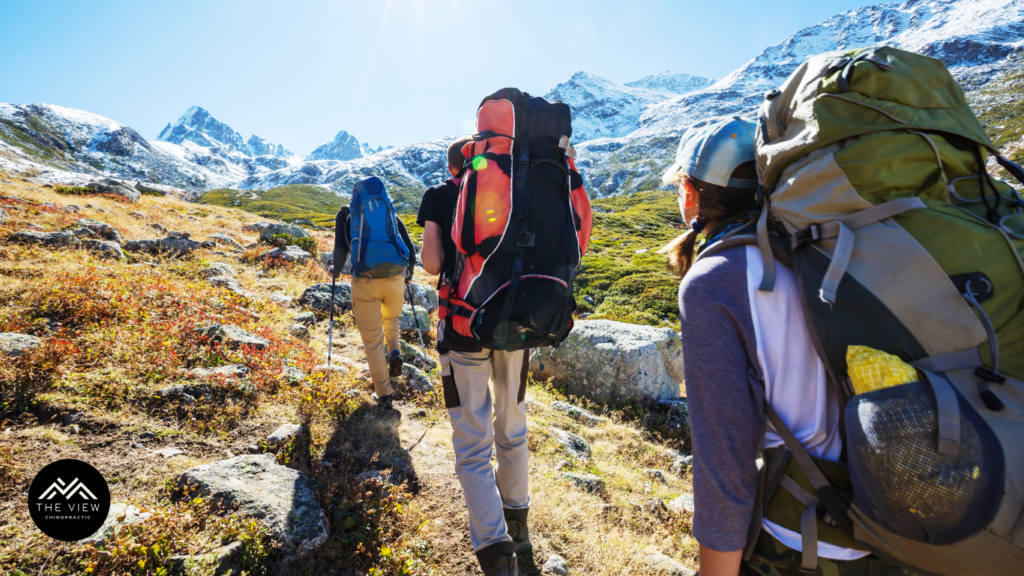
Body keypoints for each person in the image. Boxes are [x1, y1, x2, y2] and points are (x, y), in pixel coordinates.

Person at [666, 118, 911, 576]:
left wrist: (715, 571)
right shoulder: (822, 248)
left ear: (691, 193)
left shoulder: (714, 282)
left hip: (811, 536)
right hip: (904, 510)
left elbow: (725, 452)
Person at [417, 136, 530, 576]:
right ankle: (517, 519)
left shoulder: (440, 194)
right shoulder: (514, 193)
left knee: (472, 444)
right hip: (515, 326)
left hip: (463, 326)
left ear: (453, 167)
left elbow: (430, 262)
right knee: (512, 426)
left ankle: (495, 550)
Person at [333, 176, 417, 410]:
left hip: (365, 280)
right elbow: (409, 248)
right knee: (391, 318)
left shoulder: (346, 214)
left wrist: (335, 271)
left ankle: (385, 393)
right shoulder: (389, 211)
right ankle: (395, 350)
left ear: (355, 194)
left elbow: (340, 249)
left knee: (372, 341)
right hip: (395, 277)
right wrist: (408, 274)